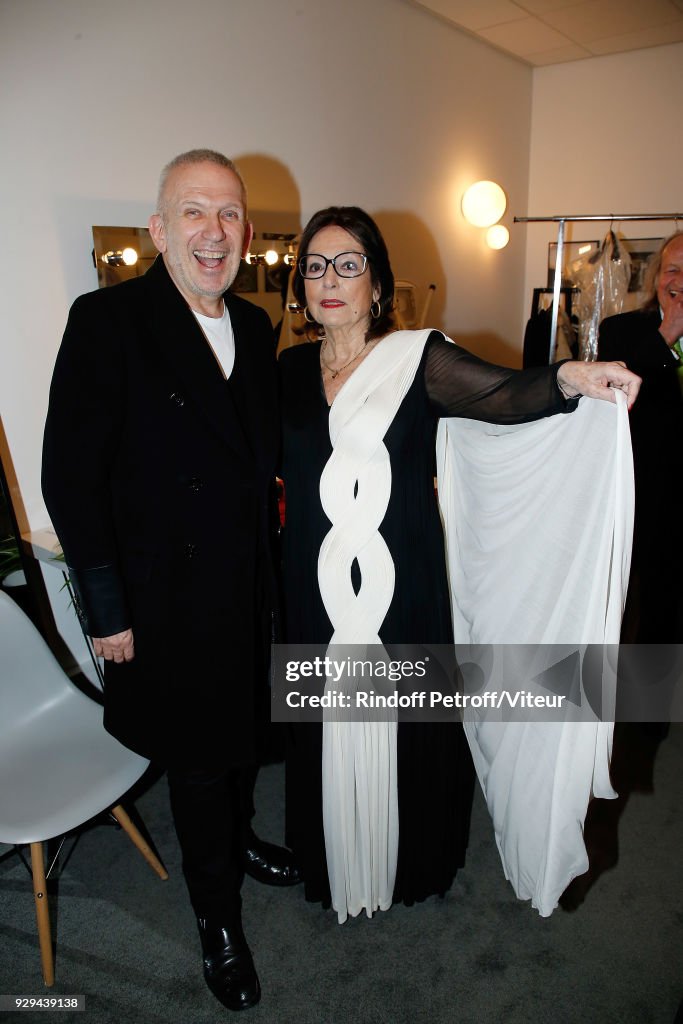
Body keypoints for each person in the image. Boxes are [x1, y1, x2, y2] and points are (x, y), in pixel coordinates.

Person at [278, 206, 641, 924]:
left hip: (401, 581)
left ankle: (413, 861)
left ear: (376, 285)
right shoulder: (286, 370)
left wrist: (571, 375)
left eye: (348, 264)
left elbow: (504, 393)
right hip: (314, 585)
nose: (330, 279)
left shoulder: (417, 358)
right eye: (315, 265)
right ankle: (333, 855)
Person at [42, 149, 301, 1013]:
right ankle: (216, 920)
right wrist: (105, 608)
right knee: (195, 763)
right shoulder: (107, 321)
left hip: (244, 587)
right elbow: (69, 480)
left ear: (248, 235)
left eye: (229, 214)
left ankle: (242, 837)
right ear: (159, 230)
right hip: (162, 600)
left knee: (237, 738)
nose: (213, 231)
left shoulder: (260, 329)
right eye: (194, 211)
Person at [598, 231, 683, 643]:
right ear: (656, 279)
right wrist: (669, 332)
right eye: (673, 270)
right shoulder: (621, 331)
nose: (681, 281)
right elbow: (612, 396)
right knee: (645, 628)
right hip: (647, 506)